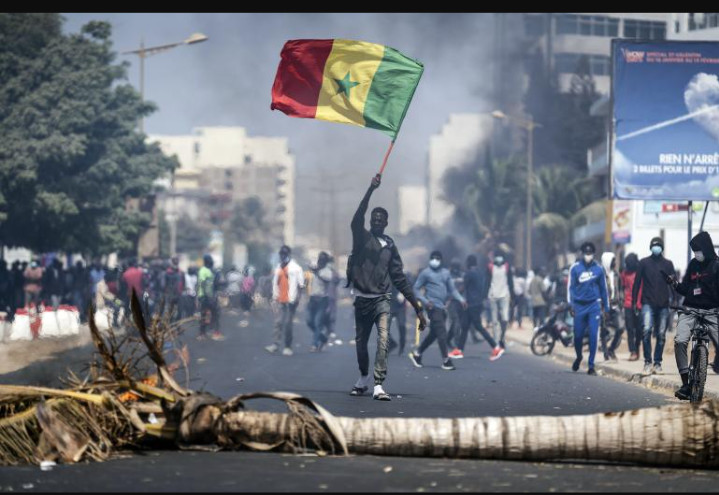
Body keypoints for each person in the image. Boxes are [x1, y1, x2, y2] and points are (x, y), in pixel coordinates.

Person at [346, 174, 426, 401]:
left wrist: (417, 307)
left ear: (386, 223)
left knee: (383, 340)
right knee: (361, 344)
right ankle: (363, 379)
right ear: (370, 221)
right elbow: (356, 218)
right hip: (362, 299)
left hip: (382, 299)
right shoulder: (361, 238)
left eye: (381, 220)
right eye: (374, 219)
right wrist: (371, 189)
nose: (377, 222)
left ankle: (378, 384)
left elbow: (400, 278)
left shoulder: (390, 246)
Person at [665, 231, 719, 400]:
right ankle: (686, 384)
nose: (697, 253)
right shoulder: (693, 265)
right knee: (680, 340)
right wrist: (674, 284)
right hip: (690, 310)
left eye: (698, 250)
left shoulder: (716, 266)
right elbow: (687, 289)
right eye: (694, 250)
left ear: (706, 248)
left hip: (712, 312)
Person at [409, 251, 466, 371]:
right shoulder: (425, 273)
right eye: (433, 258)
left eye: (437, 258)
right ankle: (446, 360)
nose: (435, 260)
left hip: (442, 306)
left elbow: (452, 289)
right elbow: (416, 289)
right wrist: (425, 301)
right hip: (432, 306)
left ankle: (417, 354)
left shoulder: (446, 273)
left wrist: (461, 300)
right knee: (442, 333)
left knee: (434, 333)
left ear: (441, 260)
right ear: (430, 259)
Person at [632, 237, 676, 374]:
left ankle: (657, 363)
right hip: (647, 303)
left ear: (662, 247)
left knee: (661, 335)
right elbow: (637, 283)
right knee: (646, 331)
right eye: (653, 245)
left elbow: (673, 284)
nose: (656, 247)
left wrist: (675, 300)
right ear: (650, 247)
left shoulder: (668, 264)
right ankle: (647, 362)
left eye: (658, 245)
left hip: (663, 304)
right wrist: (634, 301)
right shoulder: (644, 263)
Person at [449, 254, 504, 361]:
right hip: (478, 303)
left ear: (468, 263)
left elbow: (463, 288)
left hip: (471, 304)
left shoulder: (469, 274)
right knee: (465, 326)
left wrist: (453, 296)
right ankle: (459, 350)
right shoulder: (480, 272)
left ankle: (495, 347)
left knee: (478, 327)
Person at [568, 242, 610, 376]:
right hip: (579, 306)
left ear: (593, 254)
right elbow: (571, 288)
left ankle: (591, 365)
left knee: (593, 335)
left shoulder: (598, 269)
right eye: (586, 253)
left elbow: (604, 289)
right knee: (578, 336)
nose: (588, 256)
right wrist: (571, 305)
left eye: (590, 253)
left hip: (594, 305)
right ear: (582, 253)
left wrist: (606, 307)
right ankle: (579, 356)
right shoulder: (575, 268)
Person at [265, 245, 304, 355]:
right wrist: (274, 298)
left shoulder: (296, 268)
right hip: (280, 300)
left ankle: (288, 346)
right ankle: (275, 344)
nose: (282, 256)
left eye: (284, 254)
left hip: (291, 300)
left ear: (288, 254)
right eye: (281, 254)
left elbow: (301, 285)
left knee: (288, 323)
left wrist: (298, 299)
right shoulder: (278, 267)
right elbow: (275, 283)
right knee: (278, 322)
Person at [486, 248, 515, 349]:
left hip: (505, 295)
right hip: (493, 295)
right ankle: (496, 343)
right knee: (494, 321)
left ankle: (501, 337)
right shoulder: (490, 267)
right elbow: (487, 282)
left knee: (505, 319)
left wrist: (513, 296)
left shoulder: (507, 267)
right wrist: (484, 295)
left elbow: (510, 282)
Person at [305, 252, 332, 352]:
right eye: (319, 260)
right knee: (309, 321)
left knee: (317, 323)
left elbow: (327, 281)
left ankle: (314, 344)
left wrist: (317, 273)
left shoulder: (327, 271)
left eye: (322, 260)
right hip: (312, 299)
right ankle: (323, 338)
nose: (320, 262)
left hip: (322, 300)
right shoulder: (315, 270)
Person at [600, 252, 623, 361]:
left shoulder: (616, 274)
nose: (614, 263)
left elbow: (620, 288)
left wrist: (621, 299)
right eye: (612, 261)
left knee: (620, 328)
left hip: (615, 306)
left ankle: (611, 349)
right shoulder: (600, 275)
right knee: (604, 331)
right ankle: (605, 352)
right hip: (604, 306)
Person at [620, 253, 643, 361]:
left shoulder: (640, 272)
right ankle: (632, 351)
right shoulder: (624, 273)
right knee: (630, 329)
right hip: (628, 304)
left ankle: (637, 347)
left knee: (639, 329)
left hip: (639, 304)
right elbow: (623, 287)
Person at [197, 254, 224, 341]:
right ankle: (205, 333)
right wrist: (209, 296)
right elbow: (204, 284)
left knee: (210, 314)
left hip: (207, 296)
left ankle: (207, 333)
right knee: (209, 314)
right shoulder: (204, 271)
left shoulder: (208, 270)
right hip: (206, 296)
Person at [445, 259, 466, 350]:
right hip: (451, 301)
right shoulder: (447, 276)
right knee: (456, 321)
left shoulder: (463, 275)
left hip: (460, 302)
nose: (456, 269)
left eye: (457, 267)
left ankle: (448, 339)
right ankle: (457, 343)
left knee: (457, 323)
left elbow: (465, 286)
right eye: (454, 267)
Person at [162, 256, 185, 320]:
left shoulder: (181, 272)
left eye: (177, 260)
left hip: (179, 294)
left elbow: (183, 283)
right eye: (174, 260)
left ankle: (177, 325)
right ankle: (170, 325)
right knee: (170, 311)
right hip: (170, 294)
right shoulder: (167, 272)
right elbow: (164, 284)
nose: (176, 262)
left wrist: (182, 291)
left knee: (180, 311)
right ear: (172, 262)